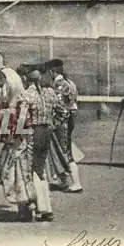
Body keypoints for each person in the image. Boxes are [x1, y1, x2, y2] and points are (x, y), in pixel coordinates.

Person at [0, 63, 68, 222]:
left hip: (31, 135)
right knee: (41, 170)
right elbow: (63, 111)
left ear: (24, 78)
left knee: (28, 172)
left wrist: (14, 137)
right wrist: (52, 124)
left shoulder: (26, 95)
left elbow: (22, 119)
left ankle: (38, 207)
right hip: (46, 133)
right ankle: (46, 208)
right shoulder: (50, 92)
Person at [44, 59, 83, 193]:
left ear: (51, 72)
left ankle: (76, 183)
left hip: (62, 122)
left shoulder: (60, 85)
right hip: (67, 119)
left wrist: (53, 123)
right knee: (62, 149)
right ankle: (64, 181)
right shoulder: (68, 82)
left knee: (64, 151)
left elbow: (60, 108)